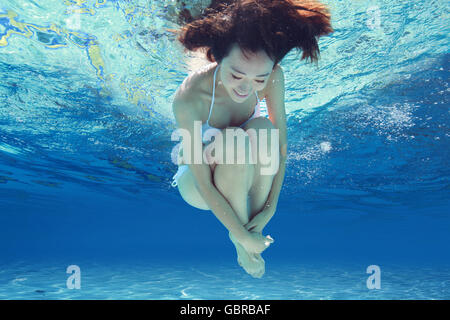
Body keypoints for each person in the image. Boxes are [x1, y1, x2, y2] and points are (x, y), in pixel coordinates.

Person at [170, 0, 333, 278]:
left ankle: (251, 232)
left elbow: (280, 148)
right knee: (233, 139)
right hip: (198, 185)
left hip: (244, 175)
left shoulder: (275, 77)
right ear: (217, 57)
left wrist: (269, 210)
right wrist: (239, 234)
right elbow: (202, 181)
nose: (246, 88)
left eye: (259, 79)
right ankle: (243, 240)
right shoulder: (190, 97)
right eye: (236, 75)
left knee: (264, 129)